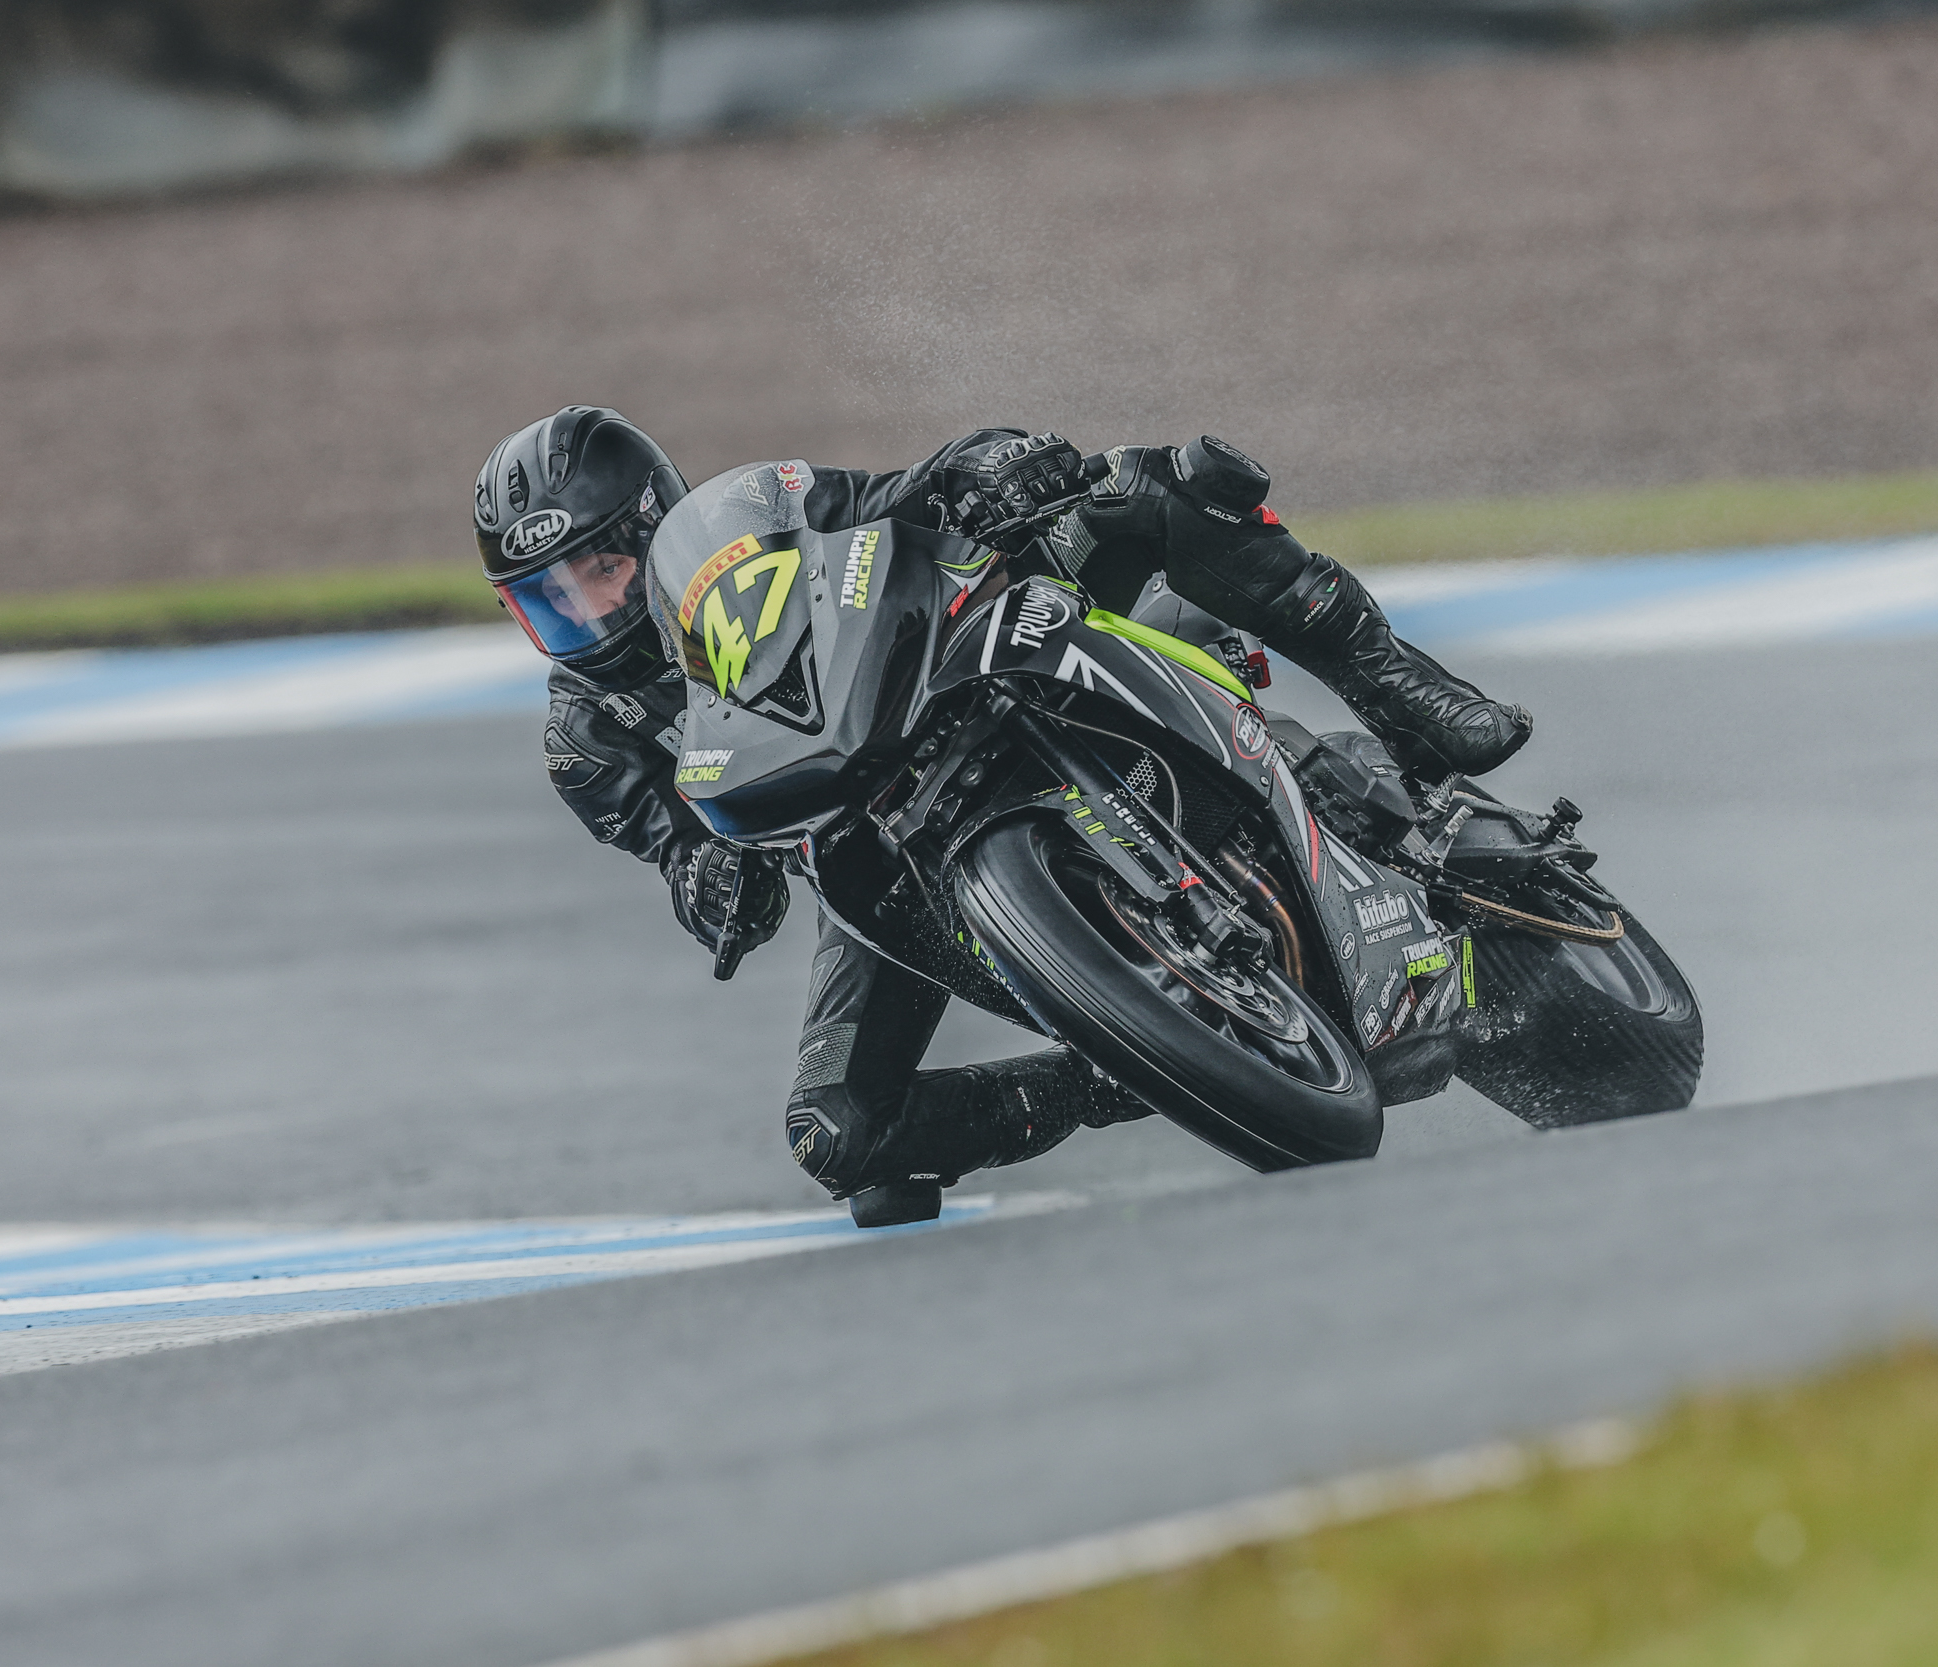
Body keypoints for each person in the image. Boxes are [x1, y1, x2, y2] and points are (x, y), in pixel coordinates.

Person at [473, 406, 1531, 1226]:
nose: (588, 612)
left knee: (1151, 483)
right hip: (866, 852)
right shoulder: (590, 740)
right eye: (547, 600)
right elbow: (688, 869)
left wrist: (983, 459)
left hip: (963, 659)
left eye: (600, 571)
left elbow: (892, 496)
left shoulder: (747, 521)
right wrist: (709, 885)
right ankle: (1140, 1055)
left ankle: (1409, 697)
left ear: (654, 523)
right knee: (839, 1136)